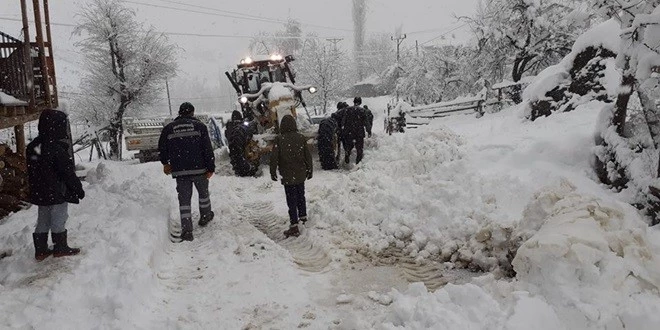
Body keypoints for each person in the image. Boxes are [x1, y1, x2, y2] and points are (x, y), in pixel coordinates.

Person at [27, 109, 85, 260]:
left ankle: (40, 250)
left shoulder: (33, 146)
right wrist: (78, 189)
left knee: (43, 219)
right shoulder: (56, 148)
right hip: (57, 191)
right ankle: (60, 247)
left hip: (40, 191)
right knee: (59, 218)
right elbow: (67, 173)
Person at [158, 102, 215, 242]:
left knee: (184, 200)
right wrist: (210, 167)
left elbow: (162, 147)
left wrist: (165, 163)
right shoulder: (200, 127)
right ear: (192, 113)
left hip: (180, 171)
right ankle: (205, 216)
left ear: (179, 112)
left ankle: (187, 230)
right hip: (199, 169)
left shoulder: (169, 128)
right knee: (203, 195)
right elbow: (207, 149)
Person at [270, 115, 313, 238]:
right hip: (300, 174)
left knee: (291, 200)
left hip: (288, 176)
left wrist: (273, 171)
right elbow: (307, 156)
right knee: (301, 196)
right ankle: (303, 217)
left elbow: (274, 158)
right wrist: (310, 170)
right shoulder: (300, 138)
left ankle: (294, 224)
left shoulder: (280, 139)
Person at [225, 110, 259, 177]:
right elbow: (238, 152)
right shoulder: (240, 130)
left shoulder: (232, 129)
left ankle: (242, 168)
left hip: (237, 161)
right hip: (242, 164)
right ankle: (245, 169)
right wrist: (247, 166)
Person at [341, 97, 367, 164]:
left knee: (349, 146)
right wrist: (368, 130)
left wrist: (343, 129)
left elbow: (343, 120)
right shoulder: (362, 110)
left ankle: (347, 154)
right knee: (359, 149)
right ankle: (358, 163)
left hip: (349, 132)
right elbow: (366, 122)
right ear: (360, 102)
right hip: (359, 132)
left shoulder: (347, 110)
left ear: (354, 102)